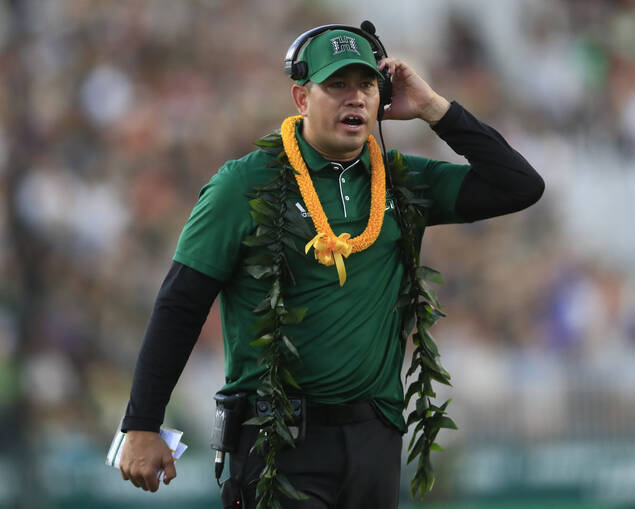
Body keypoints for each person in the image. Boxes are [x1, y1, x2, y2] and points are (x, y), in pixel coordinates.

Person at [118, 23, 544, 508]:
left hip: (373, 442)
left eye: (366, 85)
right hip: (278, 441)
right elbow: (181, 303)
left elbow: (520, 186)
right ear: (301, 98)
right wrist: (141, 423)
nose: (355, 98)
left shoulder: (401, 181)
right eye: (336, 85)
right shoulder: (242, 185)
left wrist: (433, 109)